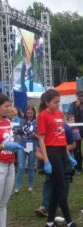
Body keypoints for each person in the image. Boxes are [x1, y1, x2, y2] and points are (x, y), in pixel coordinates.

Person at [37, 89, 77, 227]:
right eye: (55, 102)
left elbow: (62, 137)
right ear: (47, 102)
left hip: (61, 151)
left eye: (59, 102)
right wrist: (46, 161)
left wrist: (68, 155)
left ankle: (49, 222)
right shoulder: (43, 115)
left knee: (56, 188)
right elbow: (41, 140)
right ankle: (69, 221)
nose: (58, 105)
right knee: (61, 187)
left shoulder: (59, 113)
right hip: (52, 152)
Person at [34, 123, 76, 218]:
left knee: (65, 180)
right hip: (51, 159)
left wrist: (60, 150)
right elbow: (37, 151)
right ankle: (45, 206)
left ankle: (62, 205)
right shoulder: (43, 130)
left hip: (65, 158)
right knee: (49, 181)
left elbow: (73, 145)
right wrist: (46, 159)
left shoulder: (66, 128)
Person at [0, 94, 23, 227]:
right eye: (6, 106)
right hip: (0, 165)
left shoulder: (7, 122)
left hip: (10, 165)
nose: (9, 109)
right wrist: (3, 146)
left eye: (10, 106)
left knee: (3, 204)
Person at [14, 106, 38, 194]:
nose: (29, 115)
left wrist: (35, 135)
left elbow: (40, 136)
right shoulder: (22, 121)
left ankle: (30, 187)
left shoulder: (37, 122)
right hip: (22, 145)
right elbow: (19, 132)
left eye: (31, 113)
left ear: (34, 113)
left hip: (32, 145)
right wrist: (18, 131)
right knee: (20, 167)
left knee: (31, 167)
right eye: (27, 113)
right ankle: (17, 188)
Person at [68, 90, 83, 173]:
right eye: (79, 96)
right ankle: (78, 168)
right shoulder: (72, 105)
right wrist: (76, 107)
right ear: (76, 96)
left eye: (82, 96)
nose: (81, 97)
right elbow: (71, 116)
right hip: (76, 130)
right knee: (77, 149)